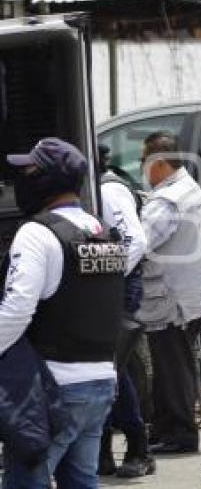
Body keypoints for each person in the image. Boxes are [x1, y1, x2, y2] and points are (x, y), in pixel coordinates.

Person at [0, 138, 125, 487]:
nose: (21, 179)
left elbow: (16, 309)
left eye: (27, 171)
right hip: (100, 381)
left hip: (54, 389)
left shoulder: (37, 234)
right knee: (81, 481)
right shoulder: (104, 232)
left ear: (44, 178)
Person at [137, 131, 201, 454]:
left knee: (172, 366)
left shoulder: (167, 199)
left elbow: (140, 242)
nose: (142, 167)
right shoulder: (187, 188)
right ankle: (168, 428)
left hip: (172, 298)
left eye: (144, 161)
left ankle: (180, 434)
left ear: (158, 163)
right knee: (173, 363)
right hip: (186, 294)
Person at [95, 144, 155, 478]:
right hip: (105, 286)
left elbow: (136, 241)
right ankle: (103, 450)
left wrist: (109, 282)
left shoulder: (108, 190)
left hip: (117, 286)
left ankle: (138, 447)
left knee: (113, 371)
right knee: (104, 371)